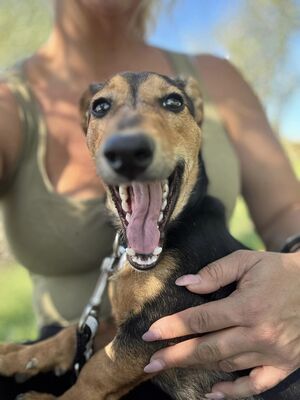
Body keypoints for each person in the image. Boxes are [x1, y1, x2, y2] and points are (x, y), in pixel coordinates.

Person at [0, 0, 299, 399]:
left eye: (172, 102)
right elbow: (130, 327)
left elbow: (287, 210)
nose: (131, 134)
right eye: (102, 107)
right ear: (87, 127)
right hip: (98, 349)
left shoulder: (216, 76)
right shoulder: (9, 102)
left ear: (197, 120)